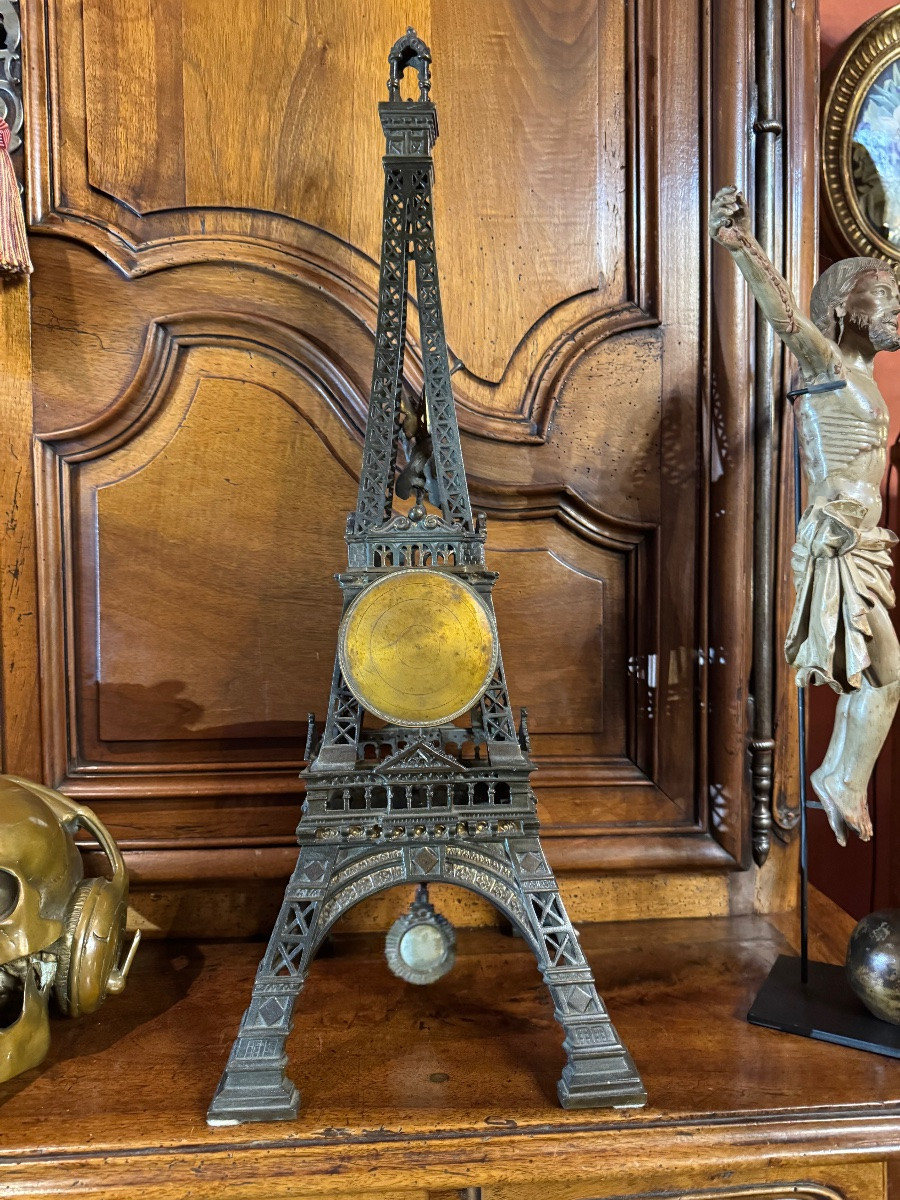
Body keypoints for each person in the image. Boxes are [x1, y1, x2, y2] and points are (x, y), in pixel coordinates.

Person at [709, 185, 900, 846]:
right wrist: (743, 245)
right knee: (885, 677)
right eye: (883, 292)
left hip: (862, 544)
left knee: (879, 679)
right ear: (845, 306)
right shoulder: (826, 365)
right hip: (839, 544)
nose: (896, 304)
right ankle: (839, 778)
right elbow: (786, 317)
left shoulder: (867, 378)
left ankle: (841, 776)